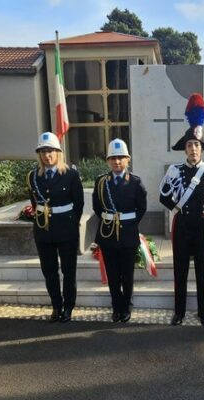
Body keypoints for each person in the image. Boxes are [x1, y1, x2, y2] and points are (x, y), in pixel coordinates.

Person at [159, 94, 204, 327]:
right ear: (185, 149)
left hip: (202, 227)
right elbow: (163, 196)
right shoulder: (174, 171)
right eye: (189, 145)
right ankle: (178, 312)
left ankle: (203, 312)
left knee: (201, 271)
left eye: (197, 145)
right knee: (180, 271)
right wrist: (177, 208)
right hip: (182, 227)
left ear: (202, 148)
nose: (193, 149)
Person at [27, 132, 84, 323]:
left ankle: (68, 307)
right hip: (43, 231)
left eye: (51, 150)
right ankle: (56, 305)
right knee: (49, 271)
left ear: (58, 153)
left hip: (66, 228)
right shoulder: (33, 176)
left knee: (69, 271)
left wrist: (70, 223)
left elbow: (79, 203)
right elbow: (35, 204)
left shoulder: (71, 174)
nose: (47, 155)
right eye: (43, 151)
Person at [92, 138, 147, 323]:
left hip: (128, 235)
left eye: (121, 158)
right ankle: (116, 306)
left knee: (127, 274)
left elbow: (141, 208)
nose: (117, 162)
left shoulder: (136, 182)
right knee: (113, 274)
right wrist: (111, 222)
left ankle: (127, 305)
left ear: (127, 160)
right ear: (108, 161)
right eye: (113, 158)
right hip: (108, 235)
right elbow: (97, 207)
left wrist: (128, 223)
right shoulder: (101, 182)